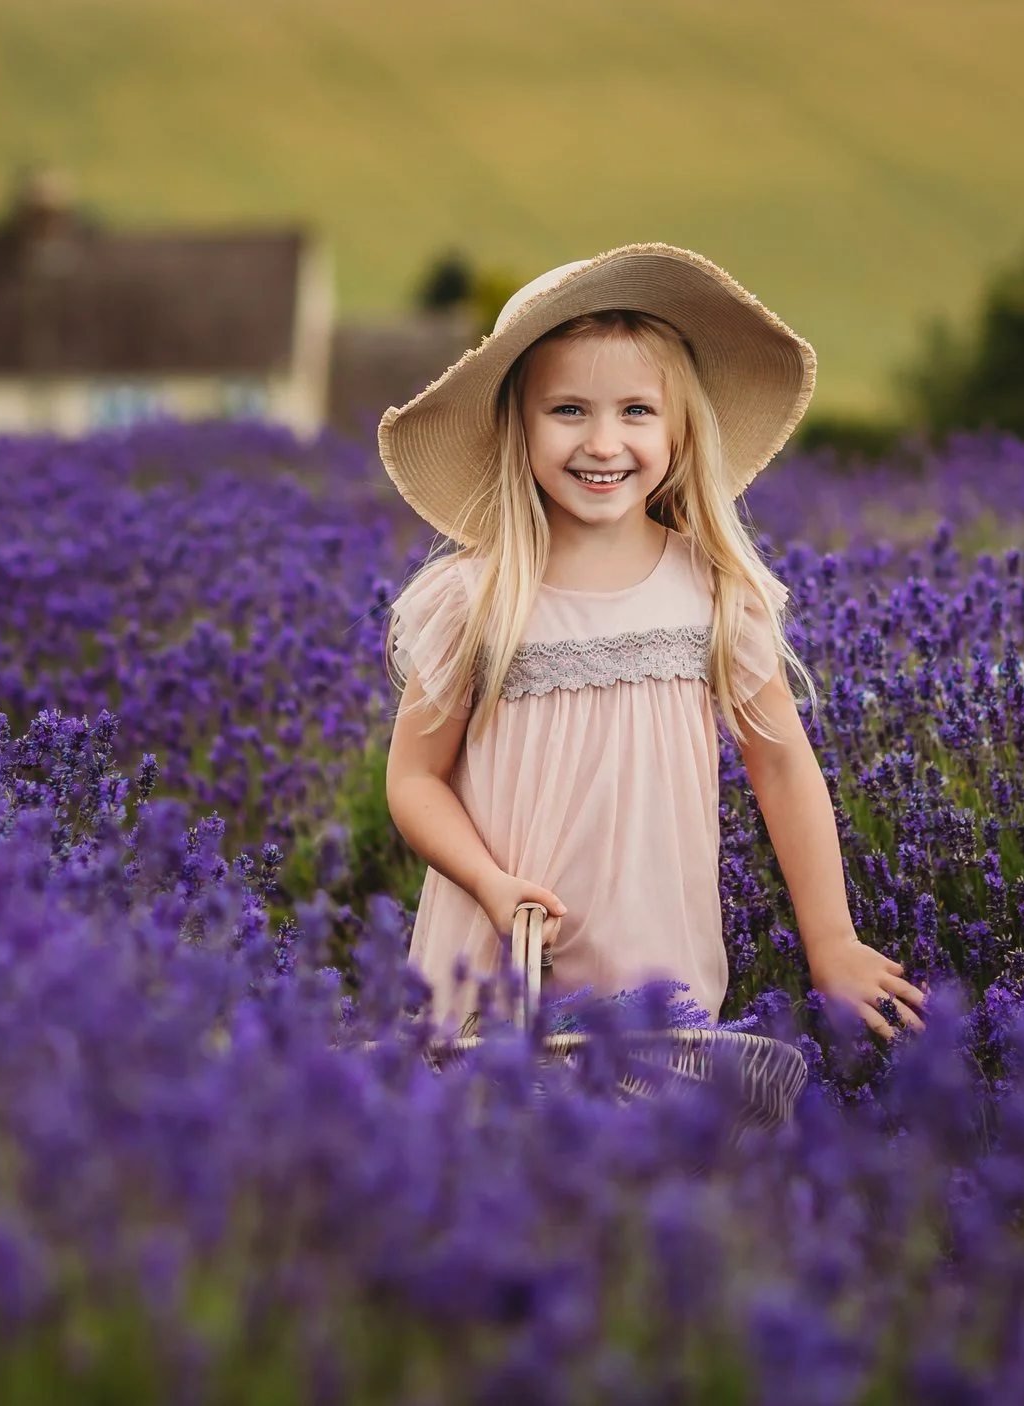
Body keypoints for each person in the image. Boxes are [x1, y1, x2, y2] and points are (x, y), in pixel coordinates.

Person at [377, 244, 927, 1040]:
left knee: (647, 1158)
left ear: (678, 430)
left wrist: (831, 942)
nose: (604, 443)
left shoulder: (712, 591)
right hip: (501, 956)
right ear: (517, 428)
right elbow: (415, 779)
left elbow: (780, 762)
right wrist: (490, 883)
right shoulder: (478, 600)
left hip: (658, 963)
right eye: (568, 410)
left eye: (636, 411)